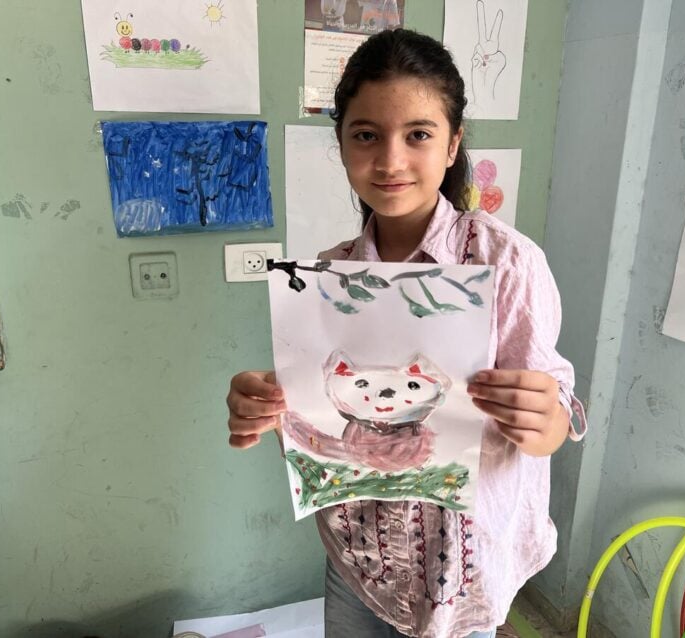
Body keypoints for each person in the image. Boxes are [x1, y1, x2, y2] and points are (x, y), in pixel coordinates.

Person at [226, 28, 587, 638]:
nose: (391, 160)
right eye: (366, 135)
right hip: (360, 550)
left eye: (418, 134)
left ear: (452, 145)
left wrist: (548, 421)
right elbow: (321, 404)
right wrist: (265, 404)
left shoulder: (505, 261)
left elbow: (552, 408)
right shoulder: (329, 273)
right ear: (341, 146)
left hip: (464, 561)